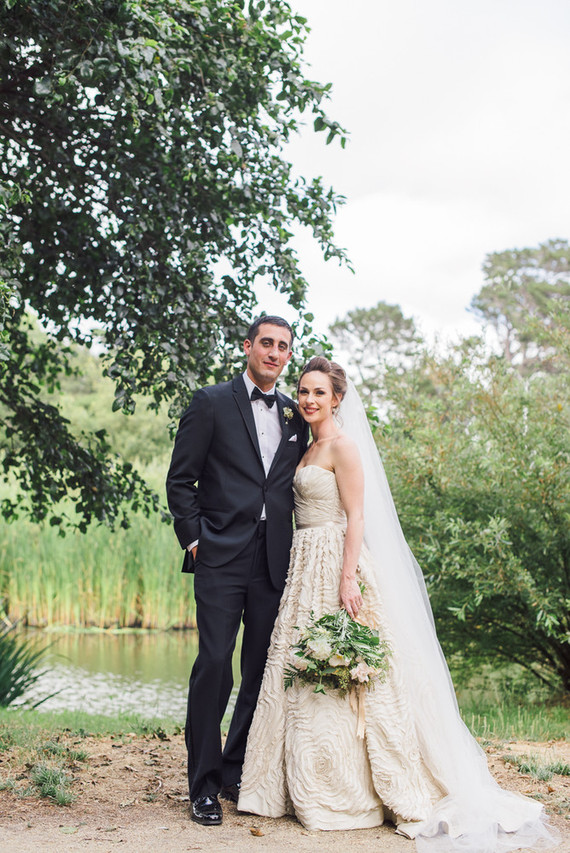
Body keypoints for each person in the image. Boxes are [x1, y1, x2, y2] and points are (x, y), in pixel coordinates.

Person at [238, 356, 556, 852]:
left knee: (352, 668)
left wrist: (348, 578)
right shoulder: (304, 444)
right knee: (298, 667)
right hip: (304, 565)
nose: (308, 399)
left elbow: (357, 516)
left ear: (337, 399)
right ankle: (295, 783)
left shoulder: (343, 446)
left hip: (335, 561)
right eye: (303, 391)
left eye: (319, 392)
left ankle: (355, 791)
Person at [166, 316, 308, 826]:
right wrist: (195, 541)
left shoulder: (295, 414)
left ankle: (234, 769)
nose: (274, 352)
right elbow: (180, 480)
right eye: (266, 343)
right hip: (220, 556)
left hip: (273, 559)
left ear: (288, 355)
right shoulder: (210, 403)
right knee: (214, 664)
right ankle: (202, 785)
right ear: (248, 346)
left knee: (260, 670)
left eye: (283, 346)